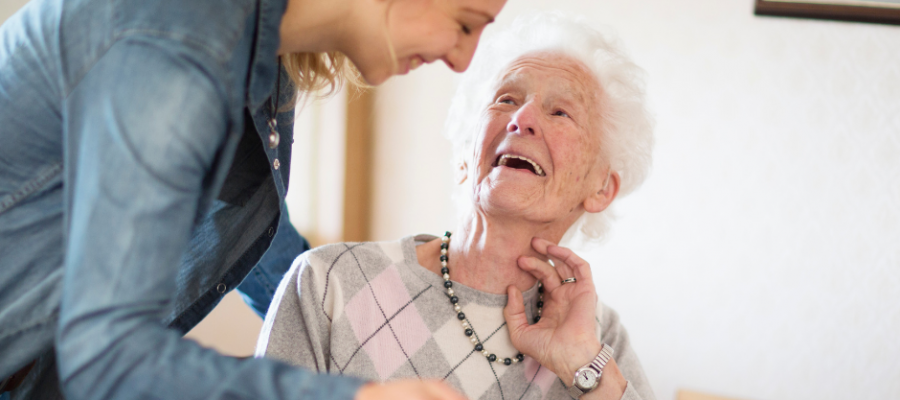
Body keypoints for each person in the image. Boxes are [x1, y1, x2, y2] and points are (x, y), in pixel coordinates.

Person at [0, 0, 507, 398]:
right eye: (464, 24)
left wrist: (346, 341)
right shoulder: (175, 45)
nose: (462, 60)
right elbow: (104, 354)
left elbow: (252, 232)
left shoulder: (258, 76)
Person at [256, 12, 656, 400]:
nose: (522, 118)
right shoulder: (329, 281)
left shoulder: (601, 338)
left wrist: (583, 366)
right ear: (466, 154)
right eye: (506, 99)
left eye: (560, 112)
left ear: (602, 188)